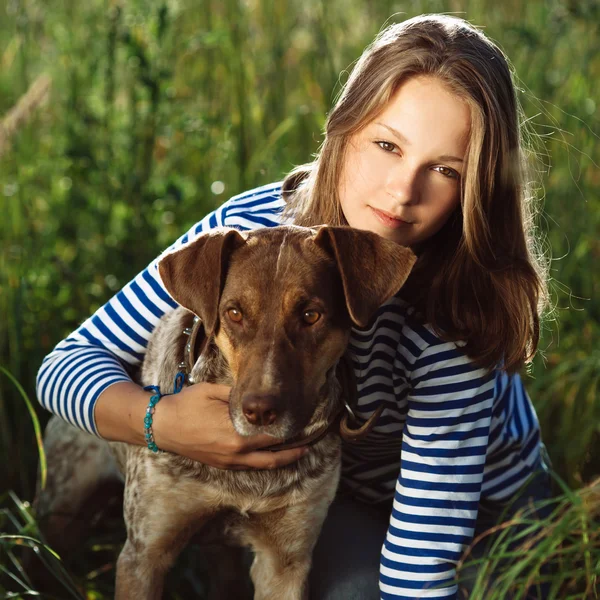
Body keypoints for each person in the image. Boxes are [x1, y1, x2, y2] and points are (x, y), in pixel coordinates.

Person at [36, 14, 554, 600]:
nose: (402, 191)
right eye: (387, 146)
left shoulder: (453, 317)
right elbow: (62, 367)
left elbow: (421, 570)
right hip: (347, 492)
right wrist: (163, 423)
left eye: (443, 170)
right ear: (342, 129)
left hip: (486, 498)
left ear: (477, 187)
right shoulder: (246, 237)